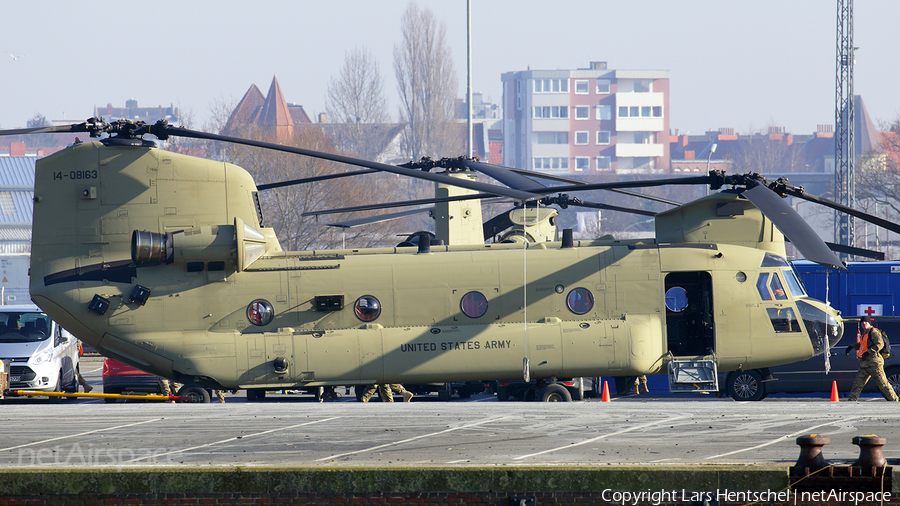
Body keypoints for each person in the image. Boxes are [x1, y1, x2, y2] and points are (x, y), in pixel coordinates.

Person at [846, 316, 898, 401]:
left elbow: (879, 344)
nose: (863, 324)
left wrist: (869, 352)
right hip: (865, 364)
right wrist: (852, 347)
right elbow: (864, 345)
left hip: (874, 363)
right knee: (857, 384)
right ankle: (851, 400)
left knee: (883, 384)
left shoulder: (873, 332)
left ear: (869, 323)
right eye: (862, 323)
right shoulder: (865, 334)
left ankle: (894, 400)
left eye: (865, 322)